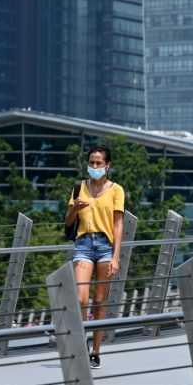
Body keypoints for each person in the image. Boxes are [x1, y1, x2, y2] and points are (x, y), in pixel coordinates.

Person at [64, 145, 124, 369]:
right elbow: (68, 222)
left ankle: (96, 350)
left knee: (99, 301)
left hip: (105, 246)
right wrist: (74, 209)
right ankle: (82, 341)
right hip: (84, 244)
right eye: (91, 162)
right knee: (81, 298)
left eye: (99, 163)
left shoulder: (116, 190)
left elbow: (118, 225)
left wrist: (116, 257)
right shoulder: (79, 188)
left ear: (107, 165)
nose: (95, 166)